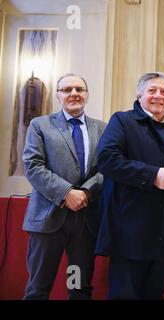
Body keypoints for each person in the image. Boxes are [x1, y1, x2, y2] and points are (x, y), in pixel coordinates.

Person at [95, 72, 164, 299]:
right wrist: (152, 175)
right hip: (130, 231)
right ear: (139, 94)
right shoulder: (122, 121)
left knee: (155, 294)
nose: (158, 96)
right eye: (152, 90)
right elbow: (107, 159)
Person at [22, 73, 106, 299]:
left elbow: (106, 169)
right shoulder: (41, 125)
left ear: (87, 95)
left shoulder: (102, 128)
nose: (74, 93)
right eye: (67, 90)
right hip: (48, 220)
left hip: (84, 223)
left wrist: (86, 192)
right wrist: (66, 193)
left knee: (78, 287)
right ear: (59, 96)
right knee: (38, 288)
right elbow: (32, 165)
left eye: (79, 89)